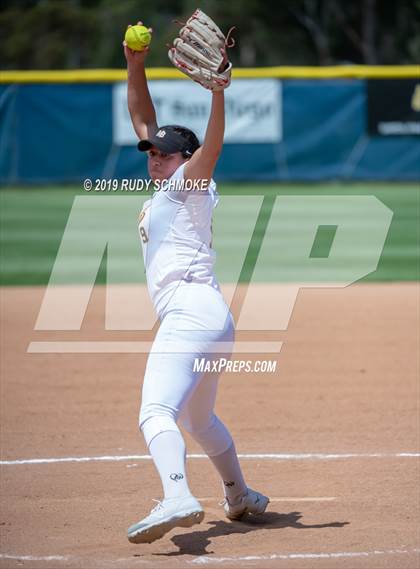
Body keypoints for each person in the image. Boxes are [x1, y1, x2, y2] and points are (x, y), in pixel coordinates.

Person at [123, 22, 269, 545]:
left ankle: (177, 493)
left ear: (182, 160)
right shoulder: (164, 189)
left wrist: (218, 96)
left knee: (155, 410)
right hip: (211, 317)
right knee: (198, 418)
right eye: (150, 153)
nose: (154, 158)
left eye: (163, 152)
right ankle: (239, 494)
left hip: (190, 313)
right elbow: (142, 117)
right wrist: (134, 65)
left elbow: (211, 150)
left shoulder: (190, 184)